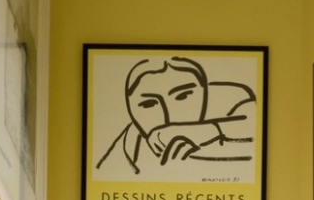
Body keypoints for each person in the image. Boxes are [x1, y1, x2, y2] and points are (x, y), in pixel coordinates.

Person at [95, 54, 255, 177]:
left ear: (205, 92)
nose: (168, 116)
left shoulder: (232, 99)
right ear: (131, 109)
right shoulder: (127, 148)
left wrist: (203, 130)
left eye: (183, 96)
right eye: (149, 104)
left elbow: (255, 125)